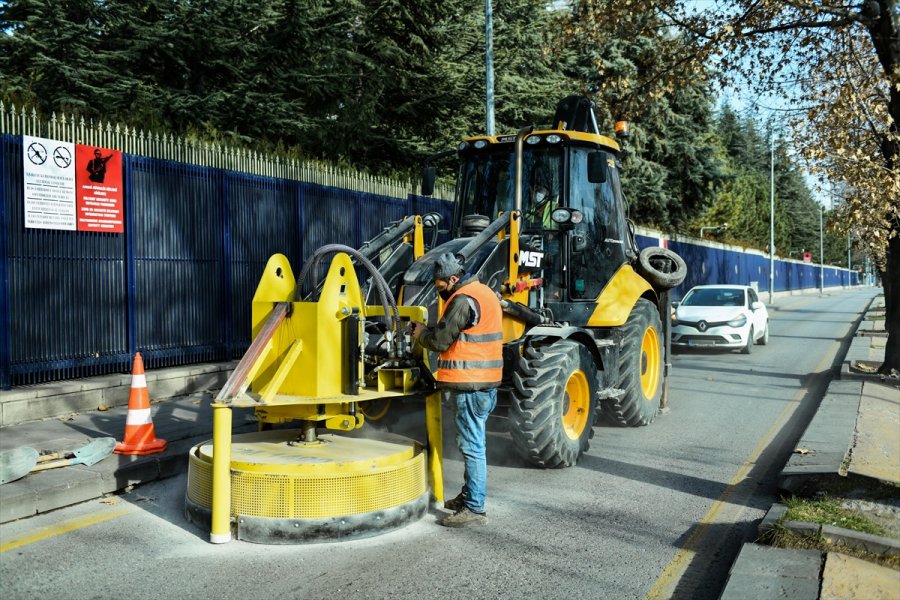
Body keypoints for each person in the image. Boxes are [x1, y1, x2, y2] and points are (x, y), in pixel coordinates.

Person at [412, 252, 503, 528]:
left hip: (470, 385)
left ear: (453, 278)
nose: (437, 288)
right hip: (484, 383)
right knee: (472, 444)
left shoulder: (462, 300)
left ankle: (475, 508)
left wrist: (420, 334)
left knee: (473, 446)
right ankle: (469, 497)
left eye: (440, 284)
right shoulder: (483, 291)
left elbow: (440, 341)